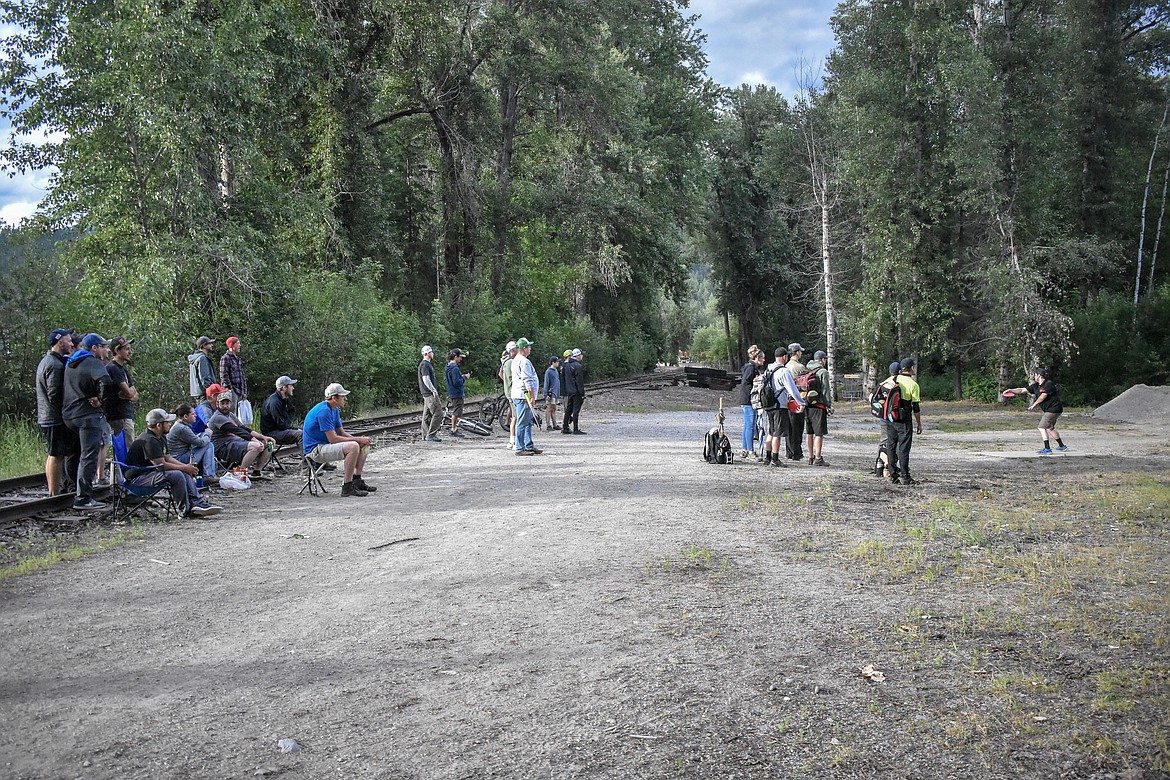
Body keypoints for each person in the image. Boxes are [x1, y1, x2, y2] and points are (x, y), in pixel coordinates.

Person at [125, 409, 222, 517]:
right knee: (176, 474)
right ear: (158, 425)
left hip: (149, 473)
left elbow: (168, 458)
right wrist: (184, 468)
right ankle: (185, 510)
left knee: (183, 472)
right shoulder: (149, 440)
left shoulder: (161, 437)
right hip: (138, 478)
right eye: (167, 422)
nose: (170, 424)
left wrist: (186, 467)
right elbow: (161, 466)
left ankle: (197, 504)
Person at [62, 333, 114, 510]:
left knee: (75, 454)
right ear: (94, 348)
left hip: (69, 415)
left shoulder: (70, 363)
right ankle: (83, 498)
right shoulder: (92, 362)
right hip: (87, 415)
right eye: (103, 346)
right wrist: (100, 399)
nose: (106, 350)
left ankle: (71, 489)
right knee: (89, 455)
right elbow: (106, 381)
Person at [303, 383, 376, 497]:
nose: (345, 398)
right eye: (343, 396)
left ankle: (357, 480)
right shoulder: (324, 411)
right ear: (334, 398)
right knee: (353, 446)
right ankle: (347, 487)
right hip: (315, 450)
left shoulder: (334, 409)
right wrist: (357, 440)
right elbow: (333, 439)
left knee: (362, 444)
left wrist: (360, 440)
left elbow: (341, 432)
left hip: (324, 446)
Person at [36, 328, 79, 495]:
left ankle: (56, 490)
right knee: (56, 454)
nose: (71, 343)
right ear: (60, 342)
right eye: (69, 341)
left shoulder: (48, 360)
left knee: (56, 453)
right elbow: (54, 394)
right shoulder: (54, 364)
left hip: (50, 416)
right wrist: (68, 409)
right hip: (54, 417)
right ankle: (53, 493)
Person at [209, 390, 275, 477]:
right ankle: (239, 474)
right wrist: (255, 441)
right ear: (218, 404)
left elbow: (244, 429)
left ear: (231, 404)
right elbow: (236, 431)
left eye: (227, 403)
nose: (225, 406)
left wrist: (263, 437)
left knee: (270, 443)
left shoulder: (231, 415)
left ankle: (257, 471)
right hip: (223, 447)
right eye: (222, 404)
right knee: (255, 446)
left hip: (234, 442)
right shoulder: (217, 417)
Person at [1006, 369, 1068, 454]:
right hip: (1051, 410)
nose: (1034, 377)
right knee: (1050, 428)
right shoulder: (1036, 386)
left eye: (1035, 375)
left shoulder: (1048, 384)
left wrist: (1034, 405)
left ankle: (1047, 449)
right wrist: (1010, 390)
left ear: (1039, 375)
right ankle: (1062, 446)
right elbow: (1021, 390)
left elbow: (1043, 396)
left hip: (1053, 409)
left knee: (1042, 427)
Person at [763, 347, 804, 467]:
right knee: (777, 433)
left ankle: (768, 456)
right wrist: (800, 403)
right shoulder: (784, 371)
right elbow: (792, 389)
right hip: (779, 405)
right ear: (784, 357)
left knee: (770, 431)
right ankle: (775, 459)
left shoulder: (768, 369)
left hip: (768, 404)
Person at [886, 357, 923, 485]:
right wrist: (919, 424)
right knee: (904, 448)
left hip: (890, 417)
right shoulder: (913, 385)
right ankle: (905, 477)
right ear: (911, 368)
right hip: (904, 418)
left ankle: (892, 474)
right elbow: (916, 407)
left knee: (891, 445)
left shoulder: (892, 379)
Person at [167, 403, 220, 484]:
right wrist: (208, 433)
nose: (196, 415)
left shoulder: (180, 424)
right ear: (185, 417)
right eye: (193, 414)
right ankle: (208, 476)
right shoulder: (182, 428)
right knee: (209, 445)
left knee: (204, 439)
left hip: (179, 455)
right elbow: (201, 443)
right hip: (179, 459)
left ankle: (206, 474)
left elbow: (194, 439)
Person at [510, 338, 542, 455]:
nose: (530, 349)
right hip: (523, 396)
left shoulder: (517, 360)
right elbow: (527, 380)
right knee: (522, 422)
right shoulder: (523, 361)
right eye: (528, 347)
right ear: (524, 348)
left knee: (527, 421)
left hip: (521, 395)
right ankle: (519, 447)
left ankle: (528, 444)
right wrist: (532, 396)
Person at [104, 336, 139, 442]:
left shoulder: (123, 369)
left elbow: (135, 395)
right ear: (117, 350)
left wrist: (129, 394)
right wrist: (128, 394)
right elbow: (129, 393)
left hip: (126, 414)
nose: (130, 352)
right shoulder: (113, 368)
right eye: (127, 349)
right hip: (118, 416)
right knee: (126, 448)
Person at [803, 350, 833, 466]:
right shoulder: (823, 372)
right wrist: (828, 405)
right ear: (822, 360)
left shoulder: (807, 369)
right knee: (819, 433)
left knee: (809, 432)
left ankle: (810, 457)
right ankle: (818, 457)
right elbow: (825, 390)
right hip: (819, 405)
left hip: (807, 404)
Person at [738, 344, 766, 460]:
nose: (764, 360)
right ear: (756, 358)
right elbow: (745, 383)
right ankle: (750, 451)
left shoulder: (749, 367)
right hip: (749, 400)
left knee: (747, 425)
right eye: (762, 358)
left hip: (745, 399)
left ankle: (744, 449)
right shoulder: (751, 368)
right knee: (750, 426)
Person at [261, 375, 303, 446]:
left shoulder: (283, 399)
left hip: (279, 430)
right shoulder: (275, 402)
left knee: (306, 430)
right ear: (284, 387)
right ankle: (307, 456)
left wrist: (294, 428)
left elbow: (291, 411)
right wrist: (295, 429)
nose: (293, 388)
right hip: (272, 433)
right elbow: (281, 425)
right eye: (291, 386)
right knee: (301, 434)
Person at [785, 343, 807, 461]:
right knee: (798, 427)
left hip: (787, 400)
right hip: (798, 400)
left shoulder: (786, 366)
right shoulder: (799, 367)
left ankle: (789, 451)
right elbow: (804, 385)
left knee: (790, 427)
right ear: (797, 352)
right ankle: (796, 453)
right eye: (800, 351)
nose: (801, 353)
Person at [418, 345, 443, 442]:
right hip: (429, 394)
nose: (433, 353)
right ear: (427, 353)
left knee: (427, 415)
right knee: (438, 413)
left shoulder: (423, 364)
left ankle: (425, 434)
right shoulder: (425, 365)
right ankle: (431, 435)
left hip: (425, 394)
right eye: (431, 352)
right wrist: (433, 390)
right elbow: (426, 379)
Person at [444, 349, 470, 438]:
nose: (461, 359)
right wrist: (464, 377)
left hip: (451, 392)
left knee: (457, 410)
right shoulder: (454, 368)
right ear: (456, 357)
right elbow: (457, 382)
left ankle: (454, 428)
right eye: (460, 357)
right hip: (456, 393)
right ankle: (453, 429)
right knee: (457, 411)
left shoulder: (448, 367)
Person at [218, 336, 248, 412]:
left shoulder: (238, 359)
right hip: (232, 390)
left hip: (240, 391)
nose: (239, 345)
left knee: (239, 414)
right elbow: (223, 375)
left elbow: (242, 376)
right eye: (238, 343)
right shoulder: (225, 358)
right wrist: (229, 389)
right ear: (232, 345)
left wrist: (244, 392)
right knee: (231, 412)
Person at [561, 348, 586, 435]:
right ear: (578, 355)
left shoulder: (566, 365)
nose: (582, 356)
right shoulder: (577, 366)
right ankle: (575, 428)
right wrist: (582, 393)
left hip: (569, 391)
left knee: (568, 409)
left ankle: (565, 427)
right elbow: (579, 381)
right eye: (581, 354)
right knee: (576, 410)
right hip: (576, 391)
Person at [499, 341, 519, 449]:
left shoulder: (505, 362)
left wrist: (506, 382)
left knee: (514, 416)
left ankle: (512, 440)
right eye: (516, 349)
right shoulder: (511, 362)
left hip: (509, 391)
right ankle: (513, 441)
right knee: (516, 417)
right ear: (512, 351)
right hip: (513, 392)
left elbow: (500, 374)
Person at [188, 335, 217, 403]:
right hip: (204, 394)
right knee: (206, 413)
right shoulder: (202, 358)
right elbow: (204, 377)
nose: (211, 345)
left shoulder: (195, 358)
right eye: (209, 343)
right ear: (204, 345)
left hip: (197, 393)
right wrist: (211, 390)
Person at [543, 355, 561, 432]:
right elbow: (546, 383)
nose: (558, 363)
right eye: (557, 362)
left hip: (556, 393)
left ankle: (554, 424)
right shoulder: (548, 372)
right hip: (551, 393)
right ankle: (548, 424)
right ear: (553, 362)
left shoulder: (555, 371)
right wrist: (546, 394)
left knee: (554, 408)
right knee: (549, 408)